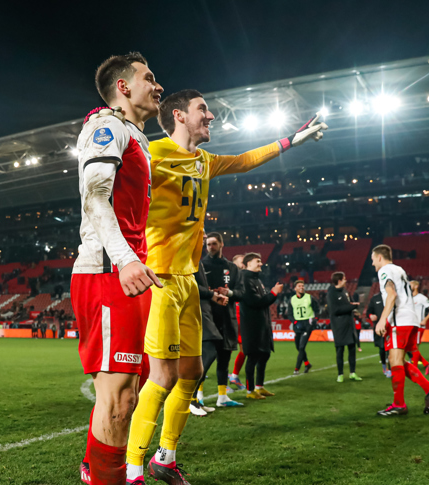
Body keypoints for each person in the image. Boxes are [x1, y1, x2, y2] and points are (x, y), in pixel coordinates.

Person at [126, 89, 326, 484]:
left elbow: (247, 160)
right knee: (162, 377)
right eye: (203, 109)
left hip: (188, 280)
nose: (212, 115)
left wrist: (292, 139)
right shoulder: (151, 152)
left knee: (192, 371)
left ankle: (164, 457)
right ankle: (132, 471)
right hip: (161, 278)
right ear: (180, 116)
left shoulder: (204, 160)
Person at [71, 52, 164, 485]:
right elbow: (95, 197)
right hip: (109, 273)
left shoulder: (135, 136)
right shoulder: (105, 125)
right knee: (119, 399)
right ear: (123, 87)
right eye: (149, 78)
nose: (158, 85)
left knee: (133, 393)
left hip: (129, 274)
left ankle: (97, 471)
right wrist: (126, 259)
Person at [371, 245, 429, 417]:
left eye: (373, 260)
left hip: (399, 321)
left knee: (394, 361)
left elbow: (392, 295)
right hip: (411, 320)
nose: (373, 264)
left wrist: (382, 319)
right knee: (399, 362)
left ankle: (399, 404)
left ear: (379, 257)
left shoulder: (385, 271)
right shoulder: (400, 270)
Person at [199, 233, 243, 408]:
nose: (210, 247)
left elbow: (241, 293)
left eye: (214, 244)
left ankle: (222, 396)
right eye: (208, 244)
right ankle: (199, 394)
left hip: (227, 318)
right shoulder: (201, 265)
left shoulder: (232, 268)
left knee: (224, 359)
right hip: (208, 318)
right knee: (205, 358)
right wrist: (212, 294)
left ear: (221, 244)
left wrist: (229, 293)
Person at [189, 250, 229, 417]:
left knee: (206, 353)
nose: (203, 237)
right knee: (209, 352)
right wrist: (212, 294)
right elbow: (190, 285)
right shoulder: (188, 258)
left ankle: (194, 399)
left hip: (204, 311)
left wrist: (212, 296)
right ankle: (189, 399)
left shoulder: (197, 260)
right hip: (195, 312)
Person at [239, 253, 282, 399]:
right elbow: (255, 302)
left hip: (262, 325)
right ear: (248, 263)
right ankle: (250, 391)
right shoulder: (245, 279)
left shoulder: (256, 280)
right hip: (252, 326)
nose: (261, 263)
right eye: (258, 261)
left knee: (264, 354)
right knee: (253, 357)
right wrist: (274, 293)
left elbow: (262, 301)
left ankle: (259, 386)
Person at [327, 272, 362, 383]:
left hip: (349, 324)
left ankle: (352, 372)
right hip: (339, 326)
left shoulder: (345, 291)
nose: (346, 280)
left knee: (352, 350)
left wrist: (353, 309)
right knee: (340, 350)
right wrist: (353, 306)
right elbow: (335, 310)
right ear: (339, 280)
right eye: (344, 279)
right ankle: (340, 374)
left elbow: (346, 306)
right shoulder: (331, 293)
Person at [290, 279, 319, 374]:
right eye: (299, 286)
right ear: (295, 288)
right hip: (298, 325)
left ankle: (296, 369)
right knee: (298, 347)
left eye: (302, 286)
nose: (301, 287)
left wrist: (315, 320)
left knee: (302, 347)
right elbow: (289, 314)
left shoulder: (309, 297)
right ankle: (307, 363)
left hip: (307, 324)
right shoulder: (292, 299)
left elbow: (317, 309)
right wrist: (294, 322)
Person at [228, 254, 247, 390]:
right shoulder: (230, 278)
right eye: (242, 262)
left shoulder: (246, 278)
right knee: (225, 350)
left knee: (245, 349)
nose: (244, 264)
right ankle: (223, 381)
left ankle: (234, 375)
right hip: (231, 316)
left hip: (243, 317)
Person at [410, 281, 429, 375]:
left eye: (411, 284)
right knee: (410, 347)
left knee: (415, 347)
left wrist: (425, 319)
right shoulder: (408, 298)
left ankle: (414, 368)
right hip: (410, 325)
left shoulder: (421, 298)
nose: (409, 286)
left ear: (416, 286)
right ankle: (426, 364)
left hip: (418, 325)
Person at [365, 291, 391, 377]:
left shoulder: (392, 296)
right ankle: (384, 367)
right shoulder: (375, 298)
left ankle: (391, 369)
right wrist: (371, 315)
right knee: (382, 348)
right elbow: (369, 312)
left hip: (391, 327)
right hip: (379, 327)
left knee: (391, 349)